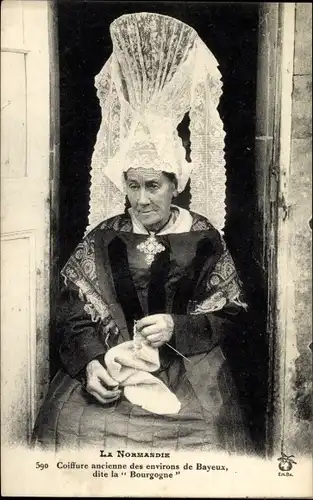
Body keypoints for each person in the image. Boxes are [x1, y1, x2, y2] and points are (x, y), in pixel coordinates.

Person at [32, 12, 253, 453]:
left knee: (205, 437)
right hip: (114, 368)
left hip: (186, 370)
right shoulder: (105, 235)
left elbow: (232, 311)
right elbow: (74, 309)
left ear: (176, 185)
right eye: (132, 186)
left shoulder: (203, 236)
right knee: (70, 426)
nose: (142, 199)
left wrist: (178, 325)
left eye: (154, 186)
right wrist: (91, 362)